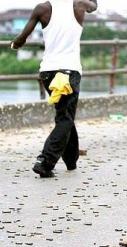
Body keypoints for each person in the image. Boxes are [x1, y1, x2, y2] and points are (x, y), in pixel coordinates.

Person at [11, 0, 98, 178]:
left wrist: (15, 45)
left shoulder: (42, 8)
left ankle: (71, 160)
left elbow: (22, 38)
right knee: (65, 118)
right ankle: (45, 161)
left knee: (65, 115)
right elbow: (94, 6)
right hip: (69, 72)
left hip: (48, 73)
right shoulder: (80, 5)